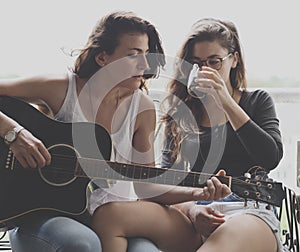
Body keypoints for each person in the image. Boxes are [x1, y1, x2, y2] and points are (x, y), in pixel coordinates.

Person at [91, 18, 287, 252]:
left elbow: (270, 157)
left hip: (247, 212)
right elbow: (163, 185)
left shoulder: (256, 101)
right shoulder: (181, 113)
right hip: (193, 213)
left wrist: (224, 100)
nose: (205, 70)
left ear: (234, 60)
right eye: (197, 63)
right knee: (109, 215)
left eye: (215, 62)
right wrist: (193, 210)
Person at [0, 11, 168, 252]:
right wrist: (13, 134)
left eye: (146, 54)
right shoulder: (59, 89)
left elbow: (147, 185)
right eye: (133, 55)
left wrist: (199, 191)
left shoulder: (143, 108)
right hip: (41, 216)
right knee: (82, 244)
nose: (144, 64)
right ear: (102, 58)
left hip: (113, 221)